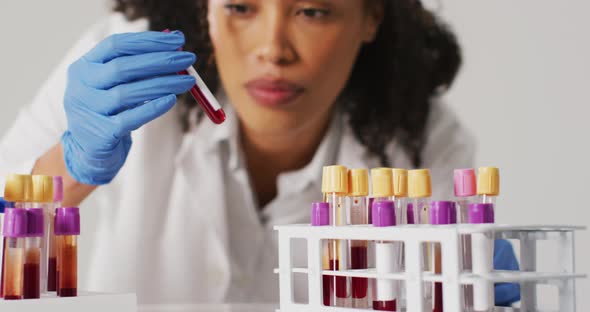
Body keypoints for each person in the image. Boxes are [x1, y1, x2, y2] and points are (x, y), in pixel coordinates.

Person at [0, 0, 519, 306]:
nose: (273, 49)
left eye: (312, 10)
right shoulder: (121, 71)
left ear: (371, 16)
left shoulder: (421, 139)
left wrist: (474, 292)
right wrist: (71, 166)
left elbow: (465, 291)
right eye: (241, 6)